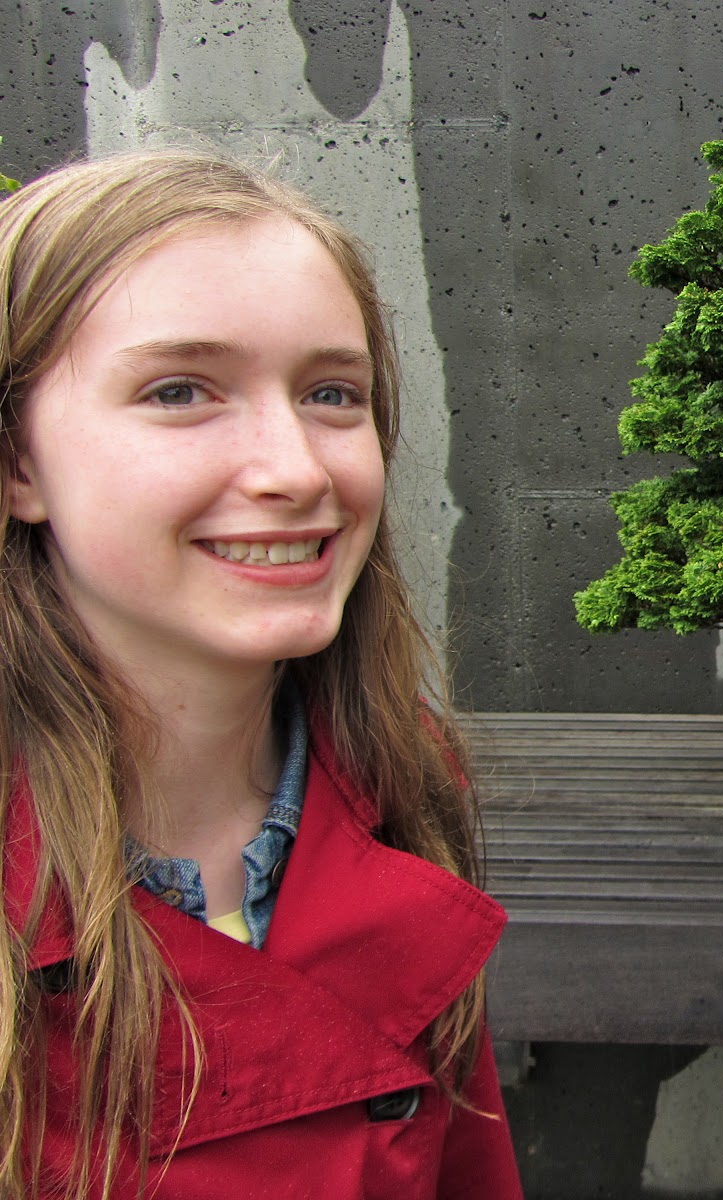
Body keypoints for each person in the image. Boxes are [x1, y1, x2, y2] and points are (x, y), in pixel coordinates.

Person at [0, 151, 522, 1198]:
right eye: (180, 391)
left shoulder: (395, 781)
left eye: (333, 393)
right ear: (19, 462)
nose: (294, 469)